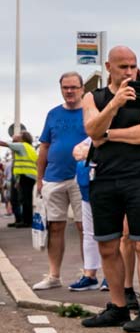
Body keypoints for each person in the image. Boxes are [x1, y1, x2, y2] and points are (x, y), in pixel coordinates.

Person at [80, 46, 140, 333]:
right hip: (104, 177)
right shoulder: (94, 97)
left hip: (139, 177)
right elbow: (92, 130)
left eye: (133, 66)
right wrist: (114, 105)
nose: (129, 72)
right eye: (123, 67)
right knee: (107, 245)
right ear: (109, 67)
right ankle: (117, 307)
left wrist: (110, 134)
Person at [33, 73, 90, 291]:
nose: (69, 91)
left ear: (82, 88)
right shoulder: (53, 114)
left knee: (84, 227)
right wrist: (40, 178)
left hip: (80, 177)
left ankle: (89, 273)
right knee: (55, 227)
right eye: (65, 88)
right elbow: (45, 147)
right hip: (53, 178)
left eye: (74, 87)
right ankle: (54, 275)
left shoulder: (89, 112)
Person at [69, 138, 104, 291]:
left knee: (111, 235)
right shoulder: (92, 133)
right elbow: (77, 150)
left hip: (106, 186)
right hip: (87, 187)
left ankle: (111, 277)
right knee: (88, 233)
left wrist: (88, 151)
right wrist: (82, 149)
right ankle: (89, 275)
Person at [7, 128, 36, 228]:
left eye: (19, 136)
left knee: (25, 199)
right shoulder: (30, 148)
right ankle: (25, 220)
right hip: (29, 176)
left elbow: (5, 144)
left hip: (26, 176)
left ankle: (27, 221)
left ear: (23, 139)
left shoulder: (22, 145)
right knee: (25, 199)